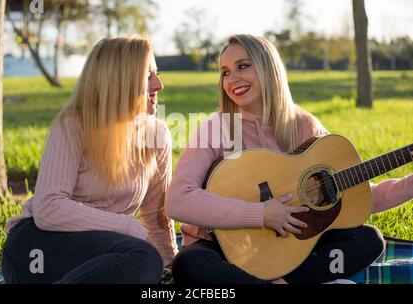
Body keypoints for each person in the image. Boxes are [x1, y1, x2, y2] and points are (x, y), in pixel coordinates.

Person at [165, 34, 413, 284]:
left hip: (289, 248)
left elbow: (359, 194)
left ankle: (278, 279)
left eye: (243, 66)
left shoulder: (304, 125)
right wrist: (260, 214)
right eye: (225, 72)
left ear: (268, 67)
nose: (233, 79)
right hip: (222, 248)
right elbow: (178, 200)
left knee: (368, 240)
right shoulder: (215, 128)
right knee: (189, 265)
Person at [2, 36, 178, 284]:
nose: (159, 84)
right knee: (143, 257)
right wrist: (128, 227)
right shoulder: (73, 126)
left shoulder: (157, 135)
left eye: (156, 74)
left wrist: (171, 267)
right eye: (148, 76)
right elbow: (49, 208)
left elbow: (156, 214)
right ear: (118, 80)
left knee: (146, 262)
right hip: (38, 245)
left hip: (103, 251)